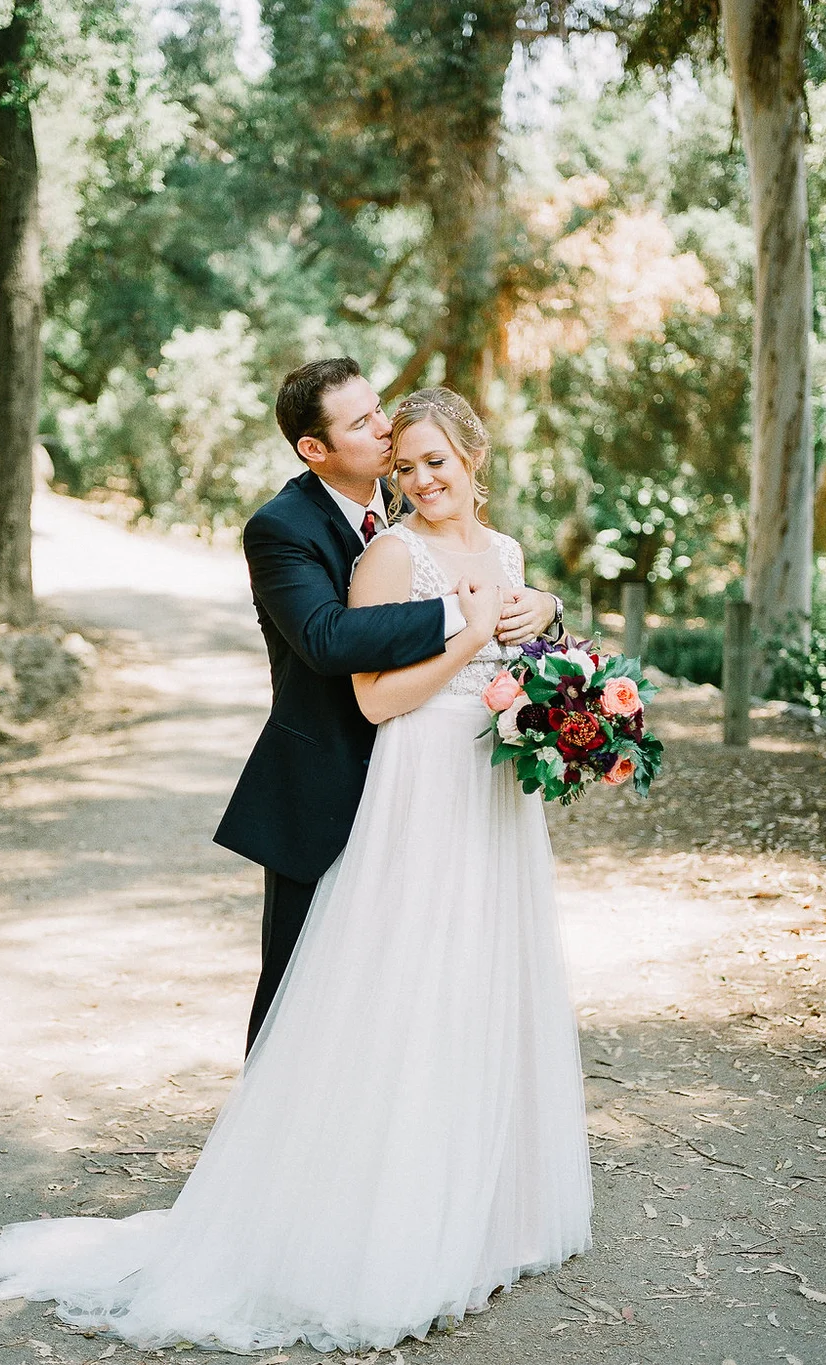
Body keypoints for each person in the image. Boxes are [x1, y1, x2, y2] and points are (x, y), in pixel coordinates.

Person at [0, 385, 592, 1354]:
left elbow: (531, 651)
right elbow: (372, 692)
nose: (419, 474)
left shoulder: (507, 554)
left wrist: (541, 651)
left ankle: (474, 1208)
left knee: (474, 987)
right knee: (373, 995)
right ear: (330, 452)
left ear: (476, 455)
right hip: (411, 789)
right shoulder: (377, 549)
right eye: (405, 463)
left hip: (489, 798)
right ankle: (338, 1211)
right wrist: (470, 635)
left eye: (435, 458)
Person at [213, 357, 561, 1050]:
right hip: (329, 784)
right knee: (300, 990)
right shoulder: (281, 527)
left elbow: (483, 565)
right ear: (314, 449)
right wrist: (465, 617)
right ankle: (279, 1143)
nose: (384, 426)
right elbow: (325, 636)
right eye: (361, 421)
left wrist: (545, 606)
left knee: (420, 983)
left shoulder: (405, 504)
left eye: (378, 409)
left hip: (437, 788)